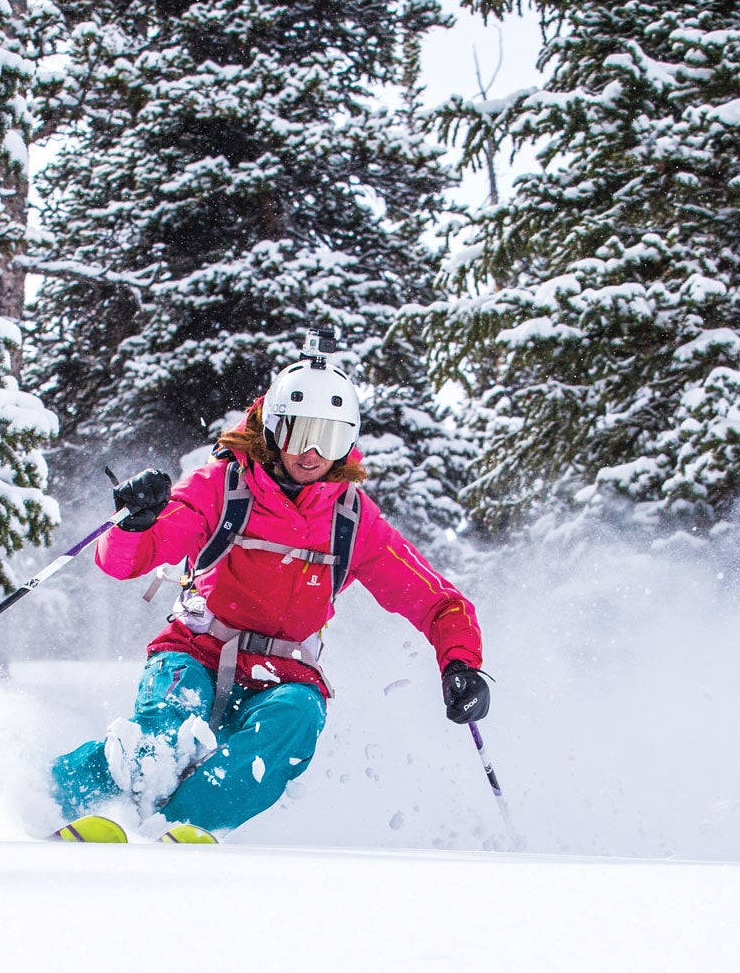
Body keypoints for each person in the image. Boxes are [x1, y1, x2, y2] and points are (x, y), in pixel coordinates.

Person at [48, 342, 492, 842]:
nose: (312, 453)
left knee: (294, 721)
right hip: (196, 649)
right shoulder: (223, 486)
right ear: (275, 427)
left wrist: (460, 663)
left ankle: (176, 831)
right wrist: (136, 522)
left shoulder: (351, 517)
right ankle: (49, 800)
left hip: (284, 672)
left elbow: (437, 599)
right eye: (302, 432)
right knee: (166, 732)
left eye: (330, 438)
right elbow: (126, 560)